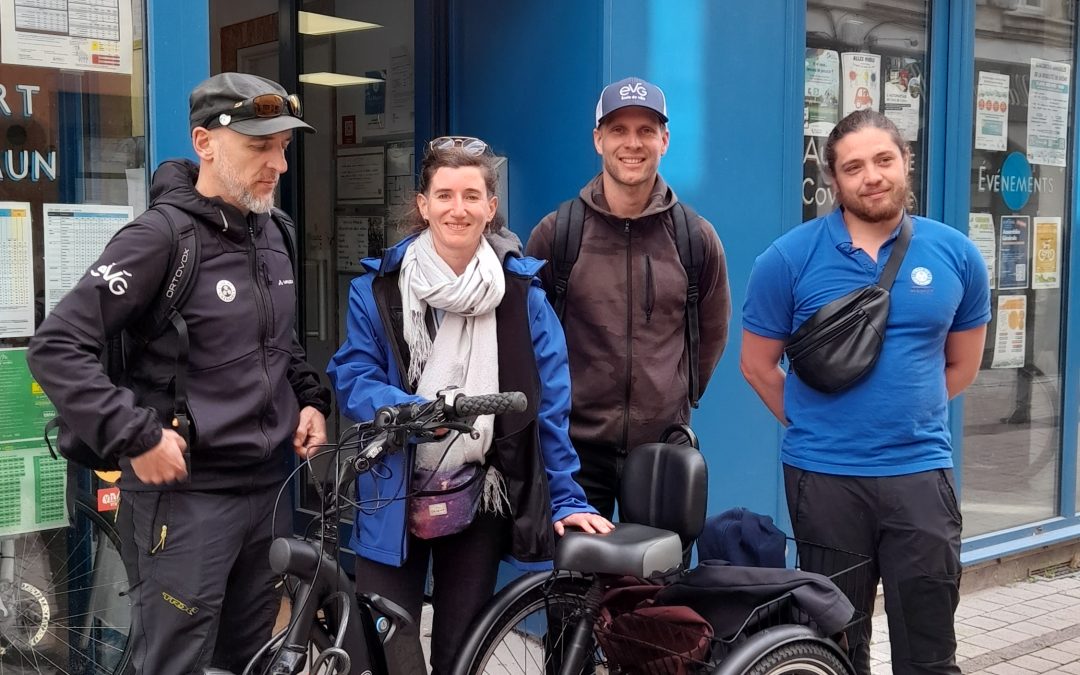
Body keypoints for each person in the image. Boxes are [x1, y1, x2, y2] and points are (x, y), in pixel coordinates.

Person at [27, 72, 331, 675]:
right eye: (259, 146)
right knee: (176, 663)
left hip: (270, 490)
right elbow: (57, 346)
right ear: (205, 141)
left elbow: (281, 344)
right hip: (187, 502)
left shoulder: (276, 234)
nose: (279, 164)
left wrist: (310, 399)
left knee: (249, 659)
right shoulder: (161, 237)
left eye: (283, 147)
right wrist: (134, 436)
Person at [327, 136, 613, 675]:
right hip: (391, 489)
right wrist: (409, 409)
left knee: (462, 650)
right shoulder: (379, 288)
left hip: (477, 492)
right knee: (385, 647)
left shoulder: (522, 294)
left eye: (471, 195)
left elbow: (549, 406)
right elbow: (353, 374)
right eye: (443, 195)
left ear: (490, 205)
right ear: (423, 204)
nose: (457, 209)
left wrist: (568, 497)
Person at [740, 110, 990, 675]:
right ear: (834, 181)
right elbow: (757, 366)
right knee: (835, 646)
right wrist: (818, 426)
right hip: (824, 481)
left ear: (906, 162)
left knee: (929, 649)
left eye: (883, 160)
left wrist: (906, 418)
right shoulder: (787, 259)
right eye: (853, 167)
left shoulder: (956, 255)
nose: (871, 176)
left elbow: (963, 365)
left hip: (920, 477)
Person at [524, 76, 731, 519]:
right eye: (618, 130)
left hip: (662, 448)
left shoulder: (695, 238)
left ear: (665, 140)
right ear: (598, 139)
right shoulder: (556, 234)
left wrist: (674, 397)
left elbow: (710, 335)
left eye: (645, 131)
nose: (632, 144)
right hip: (573, 450)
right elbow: (526, 337)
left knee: (656, 585)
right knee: (576, 585)